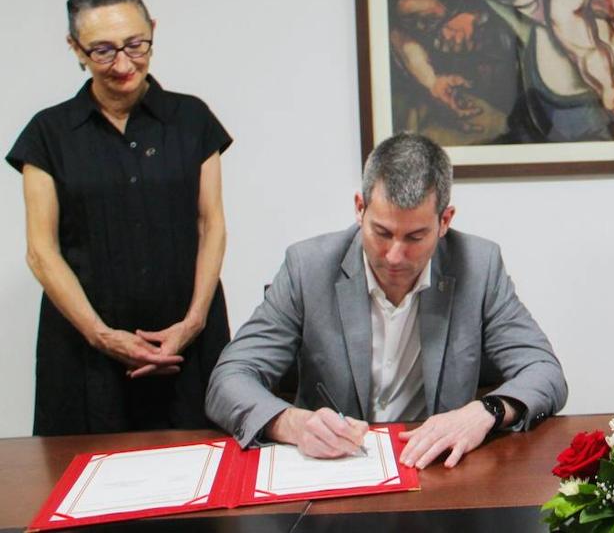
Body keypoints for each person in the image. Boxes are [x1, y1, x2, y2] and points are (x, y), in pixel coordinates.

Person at [205, 133, 567, 467]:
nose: (394, 255)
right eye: (381, 232)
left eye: (415, 236)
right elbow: (229, 378)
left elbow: (544, 371)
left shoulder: (479, 266)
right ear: (360, 208)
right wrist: (293, 424)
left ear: (445, 221)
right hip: (333, 473)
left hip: (435, 470)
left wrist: (486, 411)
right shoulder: (308, 267)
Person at [7, 0, 232, 435]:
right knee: (84, 489)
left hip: (186, 345)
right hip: (85, 353)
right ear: (75, 48)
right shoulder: (48, 135)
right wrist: (100, 335)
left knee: (206, 486)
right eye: (103, 51)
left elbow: (212, 226)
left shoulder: (191, 120)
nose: (124, 63)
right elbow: (41, 251)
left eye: (136, 44)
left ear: (152, 28)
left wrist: (192, 323)